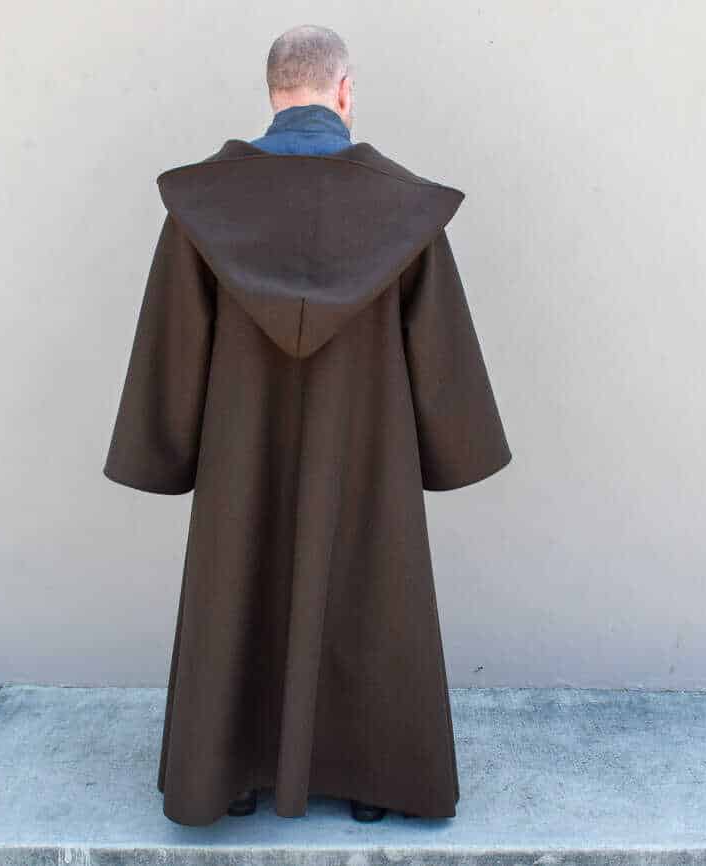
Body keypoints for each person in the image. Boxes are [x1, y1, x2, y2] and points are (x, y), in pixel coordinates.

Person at [104, 23, 511, 827]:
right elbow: (441, 359)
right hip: (368, 456)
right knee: (370, 586)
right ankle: (374, 781)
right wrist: (454, 445)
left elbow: (173, 350)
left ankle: (232, 775)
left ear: (273, 92)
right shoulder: (402, 209)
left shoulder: (207, 209)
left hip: (241, 458)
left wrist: (164, 446)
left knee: (238, 583)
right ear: (345, 92)